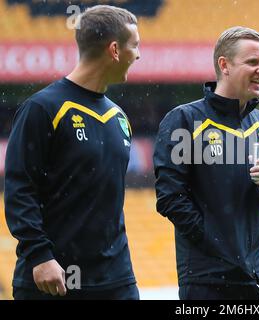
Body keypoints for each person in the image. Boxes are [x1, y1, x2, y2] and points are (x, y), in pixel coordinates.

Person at [4, 5, 140, 300]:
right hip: (54, 279)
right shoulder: (43, 109)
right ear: (115, 50)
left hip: (116, 280)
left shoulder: (119, 117)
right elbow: (19, 190)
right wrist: (39, 256)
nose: (138, 55)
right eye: (135, 46)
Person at [153, 26, 259, 300]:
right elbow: (170, 198)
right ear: (224, 65)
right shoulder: (184, 121)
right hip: (207, 278)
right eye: (252, 61)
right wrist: (216, 242)